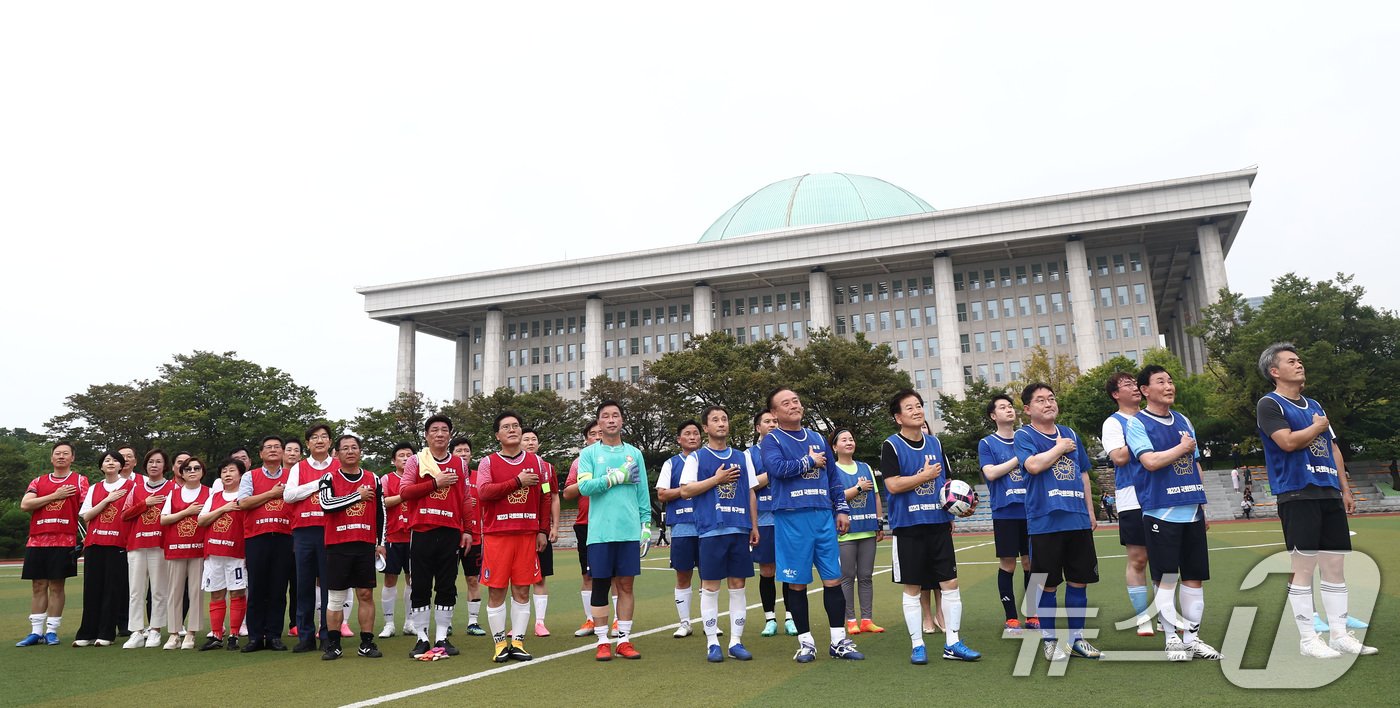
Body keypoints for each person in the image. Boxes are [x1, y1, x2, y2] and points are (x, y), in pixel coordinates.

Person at [1255, 343, 1377, 657]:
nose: (1300, 364)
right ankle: (1308, 640)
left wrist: (1345, 488)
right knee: (1303, 568)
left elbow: (1333, 447)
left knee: (1335, 566)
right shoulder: (1270, 405)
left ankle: (1339, 635)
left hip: (1327, 491)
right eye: (1292, 361)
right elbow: (1287, 442)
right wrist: (1316, 426)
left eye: (1300, 360)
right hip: (1297, 492)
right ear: (1274, 371)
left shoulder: (1315, 404)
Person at [1127, 365, 1221, 662]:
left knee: (1194, 577)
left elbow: (1194, 464)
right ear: (1145, 390)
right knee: (1166, 578)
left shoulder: (1183, 420)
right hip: (1160, 511)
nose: (1169, 386)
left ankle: (1192, 639)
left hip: (1191, 510)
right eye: (1160, 382)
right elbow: (1150, 462)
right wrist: (1181, 447)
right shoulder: (1137, 423)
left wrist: (1202, 505)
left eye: (1170, 381)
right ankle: (1171, 640)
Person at [762, 387, 863, 663]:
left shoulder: (818, 438)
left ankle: (838, 640)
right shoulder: (771, 440)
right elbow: (777, 469)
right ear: (774, 412)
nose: (794, 405)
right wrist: (808, 460)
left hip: (822, 516)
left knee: (833, 579)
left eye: (795, 400)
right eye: (786, 403)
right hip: (791, 517)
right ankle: (806, 642)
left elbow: (832, 479)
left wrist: (841, 509)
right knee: (797, 583)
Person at [881, 390, 978, 665]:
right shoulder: (891, 445)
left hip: (937, 524)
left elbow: (946, 485)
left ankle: (953, 642)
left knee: (950, 583)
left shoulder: (935, 443)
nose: (916, 410)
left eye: (919, 406)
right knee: (912, 587)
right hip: (908, 527)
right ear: (898, 417)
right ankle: (917, 645)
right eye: (909, 407)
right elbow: (892, 485)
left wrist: (961, 506)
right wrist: (922, 476)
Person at [1015, 383, 1101, 662]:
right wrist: (1059, 447)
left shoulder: (1071, 433)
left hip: (1076, 519)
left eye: (1051, 398)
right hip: (1045, 520)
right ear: (1028, 409)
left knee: (1079, 582)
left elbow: (1083, 474)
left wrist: (1090, 511)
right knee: (1046, 584)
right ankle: (1050, 640)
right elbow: (1033, 466)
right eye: (1040, 400)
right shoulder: (1024, 434)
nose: (1048, 403)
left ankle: (1077, 639)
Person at [680, 405, 758, 662]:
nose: (721, 423)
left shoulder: (741, 456)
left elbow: (750, 492)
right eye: (715, 420)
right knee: (710, 587)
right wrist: (716, 479)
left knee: (738, 586)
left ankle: (736, 642)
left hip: (739, 528)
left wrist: (754, 526)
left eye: (724, 418)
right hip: (711, 531)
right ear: (706, 428)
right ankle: (713, 642)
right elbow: (686, 491)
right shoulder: (697, 458)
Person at [577, 400, 651, 661]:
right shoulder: (588, 455)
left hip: (628, 531)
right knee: (600, 585)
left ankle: (624, 640)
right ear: (598, 423)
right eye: (605, 416)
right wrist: (615, 477)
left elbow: (642, 493)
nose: (611, 420)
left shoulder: (635, 454)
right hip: (599, 532)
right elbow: (584, 488)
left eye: (615, 415)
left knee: (626, 586)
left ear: (622, 421)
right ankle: (601, 641)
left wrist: (646, 525)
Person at [477, 413, 550, 662]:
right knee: (496, 591)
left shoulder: (539, 464)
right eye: (506, 427)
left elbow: (546, 496)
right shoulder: (487, 463)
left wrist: (542, 529)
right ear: (497, 435)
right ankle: (500, 644)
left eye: (516, 426)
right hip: (498, 536)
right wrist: (517, 481)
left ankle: (517, 642)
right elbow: (484, 493)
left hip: (527, 535)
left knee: (522, 590)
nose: (512, 430)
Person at [397, 414, 471, 661]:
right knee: (420, 585)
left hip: (450, 532)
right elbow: (405, 492)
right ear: (427, 435)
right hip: (422, 531)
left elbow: (465, 499)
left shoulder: (460, 464)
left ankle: (441, 637)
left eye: (444, 430)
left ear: (449, 435)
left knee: (447, 585)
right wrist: (435, 483)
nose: (439, 434)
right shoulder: (416, 461)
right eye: (434, 430)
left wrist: (469, 530)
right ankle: (421, 638)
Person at [317, 435, 386, 660]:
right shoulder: (329, 477)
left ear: (360, 452)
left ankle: (366, 643)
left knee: (365, 594)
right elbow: (326, 504)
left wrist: (381, 542)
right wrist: (357, 496)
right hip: (337, 544)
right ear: (336, 453)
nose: (350, 451)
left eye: (354, 447)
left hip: (365, 544)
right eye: (344, 448)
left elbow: (380, 512)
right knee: (336, 596)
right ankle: (333, 644)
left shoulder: (373, 478)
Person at [16, 441, 89, 647]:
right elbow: (25, 504)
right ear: (51, 458)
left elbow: (86, 509)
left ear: (72, 458)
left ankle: (52, 631)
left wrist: (89, 535)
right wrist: (55, 495)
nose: (61, 457)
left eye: (66, 453)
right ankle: (35, 632)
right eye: (57, 453)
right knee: (38, 585)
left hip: (64, 539)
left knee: (57, 585)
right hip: (37, 540)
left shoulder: (79, 480)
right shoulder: (38, 481)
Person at [1100, 371, 1155, 637]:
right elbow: (1120, 457)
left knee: (1165, 558)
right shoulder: (1113, 423)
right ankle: (1142, 616)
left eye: (1135, 383)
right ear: (1115, 394)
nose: (1134, 388)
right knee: (1139, 558)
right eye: (1126, 385)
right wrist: (1145, 442)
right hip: (1132, 496)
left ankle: (1167, 614)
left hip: (1162, 494)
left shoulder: (1155, 417)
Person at [979, 393, 1038, 636]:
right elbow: (991, 474)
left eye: (1010, 406)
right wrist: (1018, 457)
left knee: (1031, 562)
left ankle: (1033, 614)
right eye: (1002, 407)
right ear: (994, 416)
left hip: (1031, 509)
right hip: (1005, 512)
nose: (1008, 410)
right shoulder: (987, 443)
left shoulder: (1026, 437)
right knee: (1008, 563)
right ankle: (1011, 618)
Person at [283, 423, 336, 652]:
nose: (320, 440)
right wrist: (320, 483)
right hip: (304, 531)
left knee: (328, 586)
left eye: (324, 436)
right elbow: (289, 495)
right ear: (307, 444)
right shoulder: (299, 467)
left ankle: (327, 634)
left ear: (330, 442)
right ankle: (305, 636)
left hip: (330, 531)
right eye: (314, 437)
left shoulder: (339, 465)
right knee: (303, 585)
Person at [237, 436, 293, 653]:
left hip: (284, 537)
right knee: (257, 588)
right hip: (256, 537)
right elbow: (243, 503)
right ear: (260, 454)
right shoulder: (250, 476)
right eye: (267, 447)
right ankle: (255, 636)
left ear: (283, 452)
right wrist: (272, 494)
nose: (272, 450)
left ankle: (274, 636)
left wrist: (265, 497)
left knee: (279, 589)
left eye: (276, 447)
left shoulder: (292, 475)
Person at [75, 450, 133, 646]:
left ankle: (106, 633)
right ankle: (87, 632)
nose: (110, 463)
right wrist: (108, 499)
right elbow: (87, 515)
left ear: (121, 466)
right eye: (106, 460)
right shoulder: (94, 488)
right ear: (101, 466)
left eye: (115, 461)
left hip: (118, 543)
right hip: (94, 543)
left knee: (112, 589)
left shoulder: (130, 486)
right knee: (92, 589)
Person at [831, 428, 883, 636]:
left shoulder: (865, 467)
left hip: (867, 530)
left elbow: (877, 497)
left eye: (851, 439)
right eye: (843, 440)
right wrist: (859, 488)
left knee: (865, 576)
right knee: (847, 576)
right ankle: (850, 620)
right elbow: (835, 498)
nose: (849, 442)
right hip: (845, 533)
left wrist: (879, 523)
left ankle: (867, 619)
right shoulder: (832, 470)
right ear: (834, 447)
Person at [747, 409, 795, 637]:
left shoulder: (789, 449)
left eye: (775, 421)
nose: (773, 424)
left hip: (788, 516)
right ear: (758, 428)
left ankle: (790, 616)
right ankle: (770, 618)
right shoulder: (749, 454)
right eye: (767, 421)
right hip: (765, 519)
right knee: (767, 570)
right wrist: (774, 472)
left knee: (789, 568)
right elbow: (750, 485)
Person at [121, 449, 174, 648]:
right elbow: (124, 515)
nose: (154, 465)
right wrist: (145, 503)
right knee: (136, 591)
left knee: (159, 590)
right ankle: (136, 631)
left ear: (165, 466)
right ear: (145, 465)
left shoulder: (172, 488)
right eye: (151, 461)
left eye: (158, 462)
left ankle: (155, 630)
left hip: (160, 545)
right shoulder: (136, 488)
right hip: (136, 545)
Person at [655, 420, 703, 638]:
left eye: (696, 433)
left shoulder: (708, 460)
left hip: (707, 525)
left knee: (709, 575)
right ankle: (685, 623)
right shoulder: (671, 464)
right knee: (683, 575)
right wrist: (686, 491)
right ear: (679, 439)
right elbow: (662, 494)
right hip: (682, 527)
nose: (692, 437)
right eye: (687, 434)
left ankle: (709, 622)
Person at [160, 456, 211, 649]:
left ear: (202, 472)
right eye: (187, 468)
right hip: (175, 548)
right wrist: (186, 512)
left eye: (196, 468)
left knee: (196, 592)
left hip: (199, 548)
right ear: (181, 473)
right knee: (174, 592)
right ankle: (174, 633)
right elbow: (163, 520)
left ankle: (191, 633)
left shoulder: (210, 492)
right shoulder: (173, 494)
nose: (192, 471)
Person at [197, 457, 247, 651]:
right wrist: (224, 508)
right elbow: (202, 520)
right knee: (216, 593)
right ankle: (216, 634)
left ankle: (234, 634)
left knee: (237, 592)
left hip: (236, 552)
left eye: (232, 470)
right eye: (224, 471)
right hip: (214, 552)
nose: (227, 474)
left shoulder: (245, 496)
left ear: (241, 475)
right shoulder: (214, 496)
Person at [563, 420, 606, 637]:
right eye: (592, 434)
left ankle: (617, 622)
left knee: (616, 576)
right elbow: (568, 493)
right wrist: (588, 482)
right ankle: (590, 620)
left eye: (601, 432)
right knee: (587, 575)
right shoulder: (578, 462)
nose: (597, 436)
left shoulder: (619, 458)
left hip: (611, 523)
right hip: (586, 524)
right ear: (586, 439)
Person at [520, 428, 559, 638]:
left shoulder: (546, 469)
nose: (530, 442)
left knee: (541, 577)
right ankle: (519, 623)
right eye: (526, 439)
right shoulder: (514, 468)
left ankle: (540, 622)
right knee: (519, 578)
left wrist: (553, 526)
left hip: (540, 529)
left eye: (534, 439)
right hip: (519, 530)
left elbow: (552, 497)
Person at [378, 442, 415, 638]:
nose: (406, 458)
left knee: (413, 579)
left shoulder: (419, 478)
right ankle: (389, 623)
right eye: (401, 455)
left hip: (414, 535)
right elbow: (382, 501)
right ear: (394, 461)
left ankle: (410, 622)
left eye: (409, 454)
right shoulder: (387, 478)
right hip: (392, 535)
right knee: (390, 578)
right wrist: (404, 495)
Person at [451, 436, 486, 637]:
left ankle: (473, 622)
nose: (463, 454)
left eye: (466, 450)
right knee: (447, 580)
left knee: (473, 579)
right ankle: (446, 622)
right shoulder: (448, 477)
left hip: (475, 538)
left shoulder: (479, 477)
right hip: (451, 537)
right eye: (459, 451)